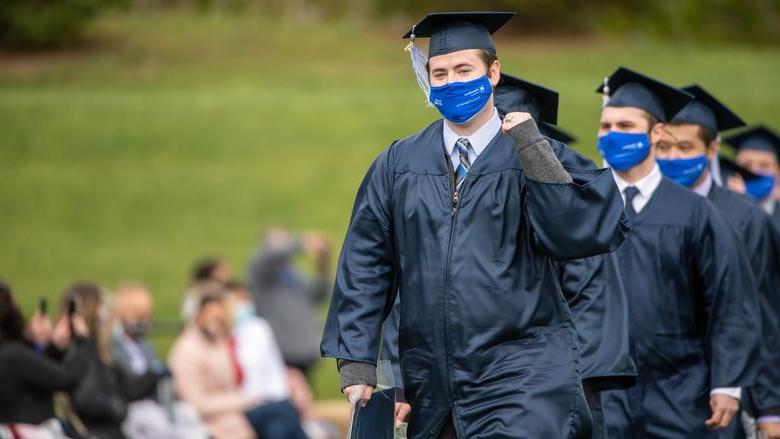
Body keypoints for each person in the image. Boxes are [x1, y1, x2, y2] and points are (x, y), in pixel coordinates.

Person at [321, 11, 629, 438]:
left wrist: (531, 147)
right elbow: (366, 261)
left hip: (522, 374)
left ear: (494, 72)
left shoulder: (533, 154)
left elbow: (581, 232)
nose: (451, 82)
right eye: (439, 73)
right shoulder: (399, 163)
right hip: (435, 381)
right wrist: (356, 359)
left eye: (464, 69)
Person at [594, 67, 761, 437]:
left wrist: (726, 383)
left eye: (625, 126)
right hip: (601, 391)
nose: (613, 135)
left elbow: (730, 299)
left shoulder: (695, 212)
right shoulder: (587, 206)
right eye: (606, 127)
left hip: (682, 390)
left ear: (657, 133)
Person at [653, 85, 780, 438]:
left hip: (717, 383)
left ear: (712, 149)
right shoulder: (642, 207)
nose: (674, 157)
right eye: (664, 147)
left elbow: (762, 309)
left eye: (685, 148)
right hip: (651, 381)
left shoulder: (745, 217)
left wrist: (770, 406)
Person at [62, 282, 160, 439]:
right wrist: (118, 408)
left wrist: (155, 374)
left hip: (117, 425)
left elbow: (128, 387)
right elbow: (88, 399)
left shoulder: (102, 350)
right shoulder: (86, 351)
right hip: (100, 430)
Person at [0, 281, 88, 433]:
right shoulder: (13, 355)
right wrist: (82, 341)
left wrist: (52, 345)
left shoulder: (13, 354)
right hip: (28, 431)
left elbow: (36, 374)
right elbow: (65, 378)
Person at [223, 282, 309, 438]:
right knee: (279, 426)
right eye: (238, 300)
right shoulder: (225, 338)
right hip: (247, 405)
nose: (244, 304)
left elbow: (273, 368)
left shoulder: (259, 328)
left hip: (275, 401)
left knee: (280, 424)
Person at [168, 294, 259, 439]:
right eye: (210, 316)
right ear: (198, 316)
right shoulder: (187, 351)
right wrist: (241, 400)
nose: (215, 322)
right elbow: (196, 402)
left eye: (219, 318)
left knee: (280, 414)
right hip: (209, 423)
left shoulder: (218, 343)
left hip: (231, 415)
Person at [247, 227, 331, 376]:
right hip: (279, 351)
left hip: (304, 350)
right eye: (281, 243)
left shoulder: (292, 273)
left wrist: (322, 264)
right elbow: (271, 257)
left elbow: (318, 296)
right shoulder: (260, 270)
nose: (286, 246)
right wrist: (303, 243)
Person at [724, 125, 780, 230]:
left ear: (777, 172)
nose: (754, 171)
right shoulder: (718, 213)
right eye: (746, 165)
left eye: (764, 165)